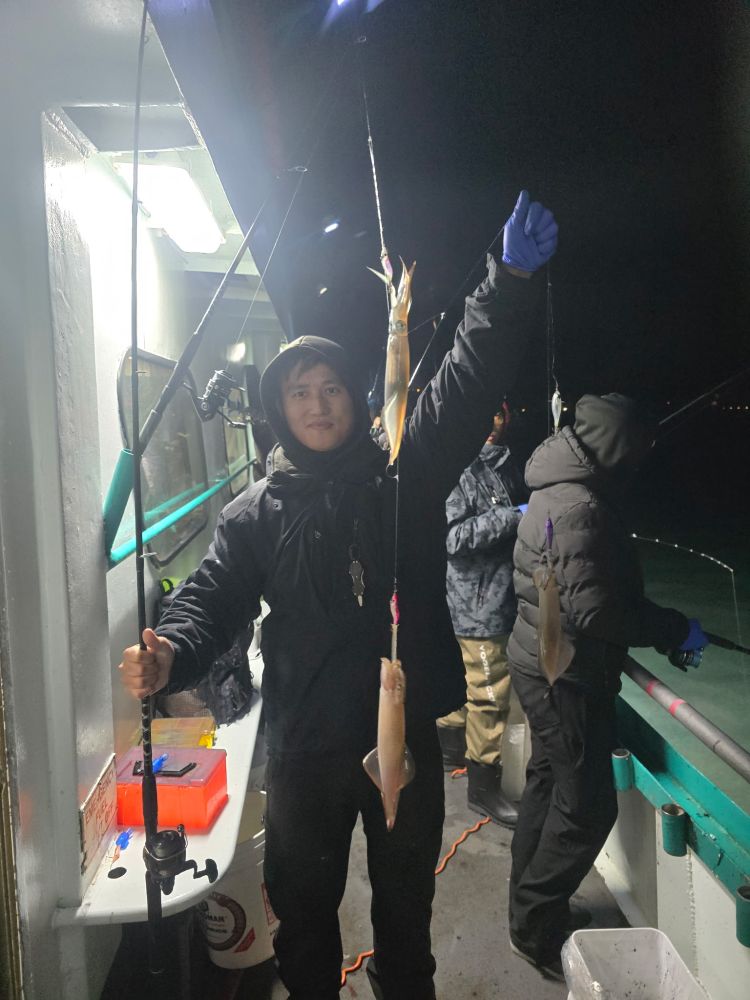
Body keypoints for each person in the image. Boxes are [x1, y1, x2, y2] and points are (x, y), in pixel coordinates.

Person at [119, 188, 558, 1000]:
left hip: (402, 736)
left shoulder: (404, 474)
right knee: (303, 909)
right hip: (304, 745)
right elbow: (213, 595)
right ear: (279, 410)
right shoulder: (256, 511)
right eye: (300, 393)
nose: (318, 405)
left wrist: (509, 283)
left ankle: (405, 986)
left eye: (330, 388)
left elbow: (464, 385)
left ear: (355, 398)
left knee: (407, 904)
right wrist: (171, 647)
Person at [506, 393, 708, 981]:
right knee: (587, 809)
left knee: (548, 784)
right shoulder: (584, 507)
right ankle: (534, 929)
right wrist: (673, 628)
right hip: (565, 677)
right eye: (639, 447)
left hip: (537, 662)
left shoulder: (554, 485)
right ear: (619, 448)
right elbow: (597, 612)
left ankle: (527, 910)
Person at [438, 402, 527, 828]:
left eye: (500, 413)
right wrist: (514, 516)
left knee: (468, 685)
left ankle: (450, 750)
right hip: (477, 608)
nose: (494, 422)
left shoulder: (504, 465)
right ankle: (482, 787)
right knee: (490, 694)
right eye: (485, 413)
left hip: (499, 598)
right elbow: (452, 538)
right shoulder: (455, 469)